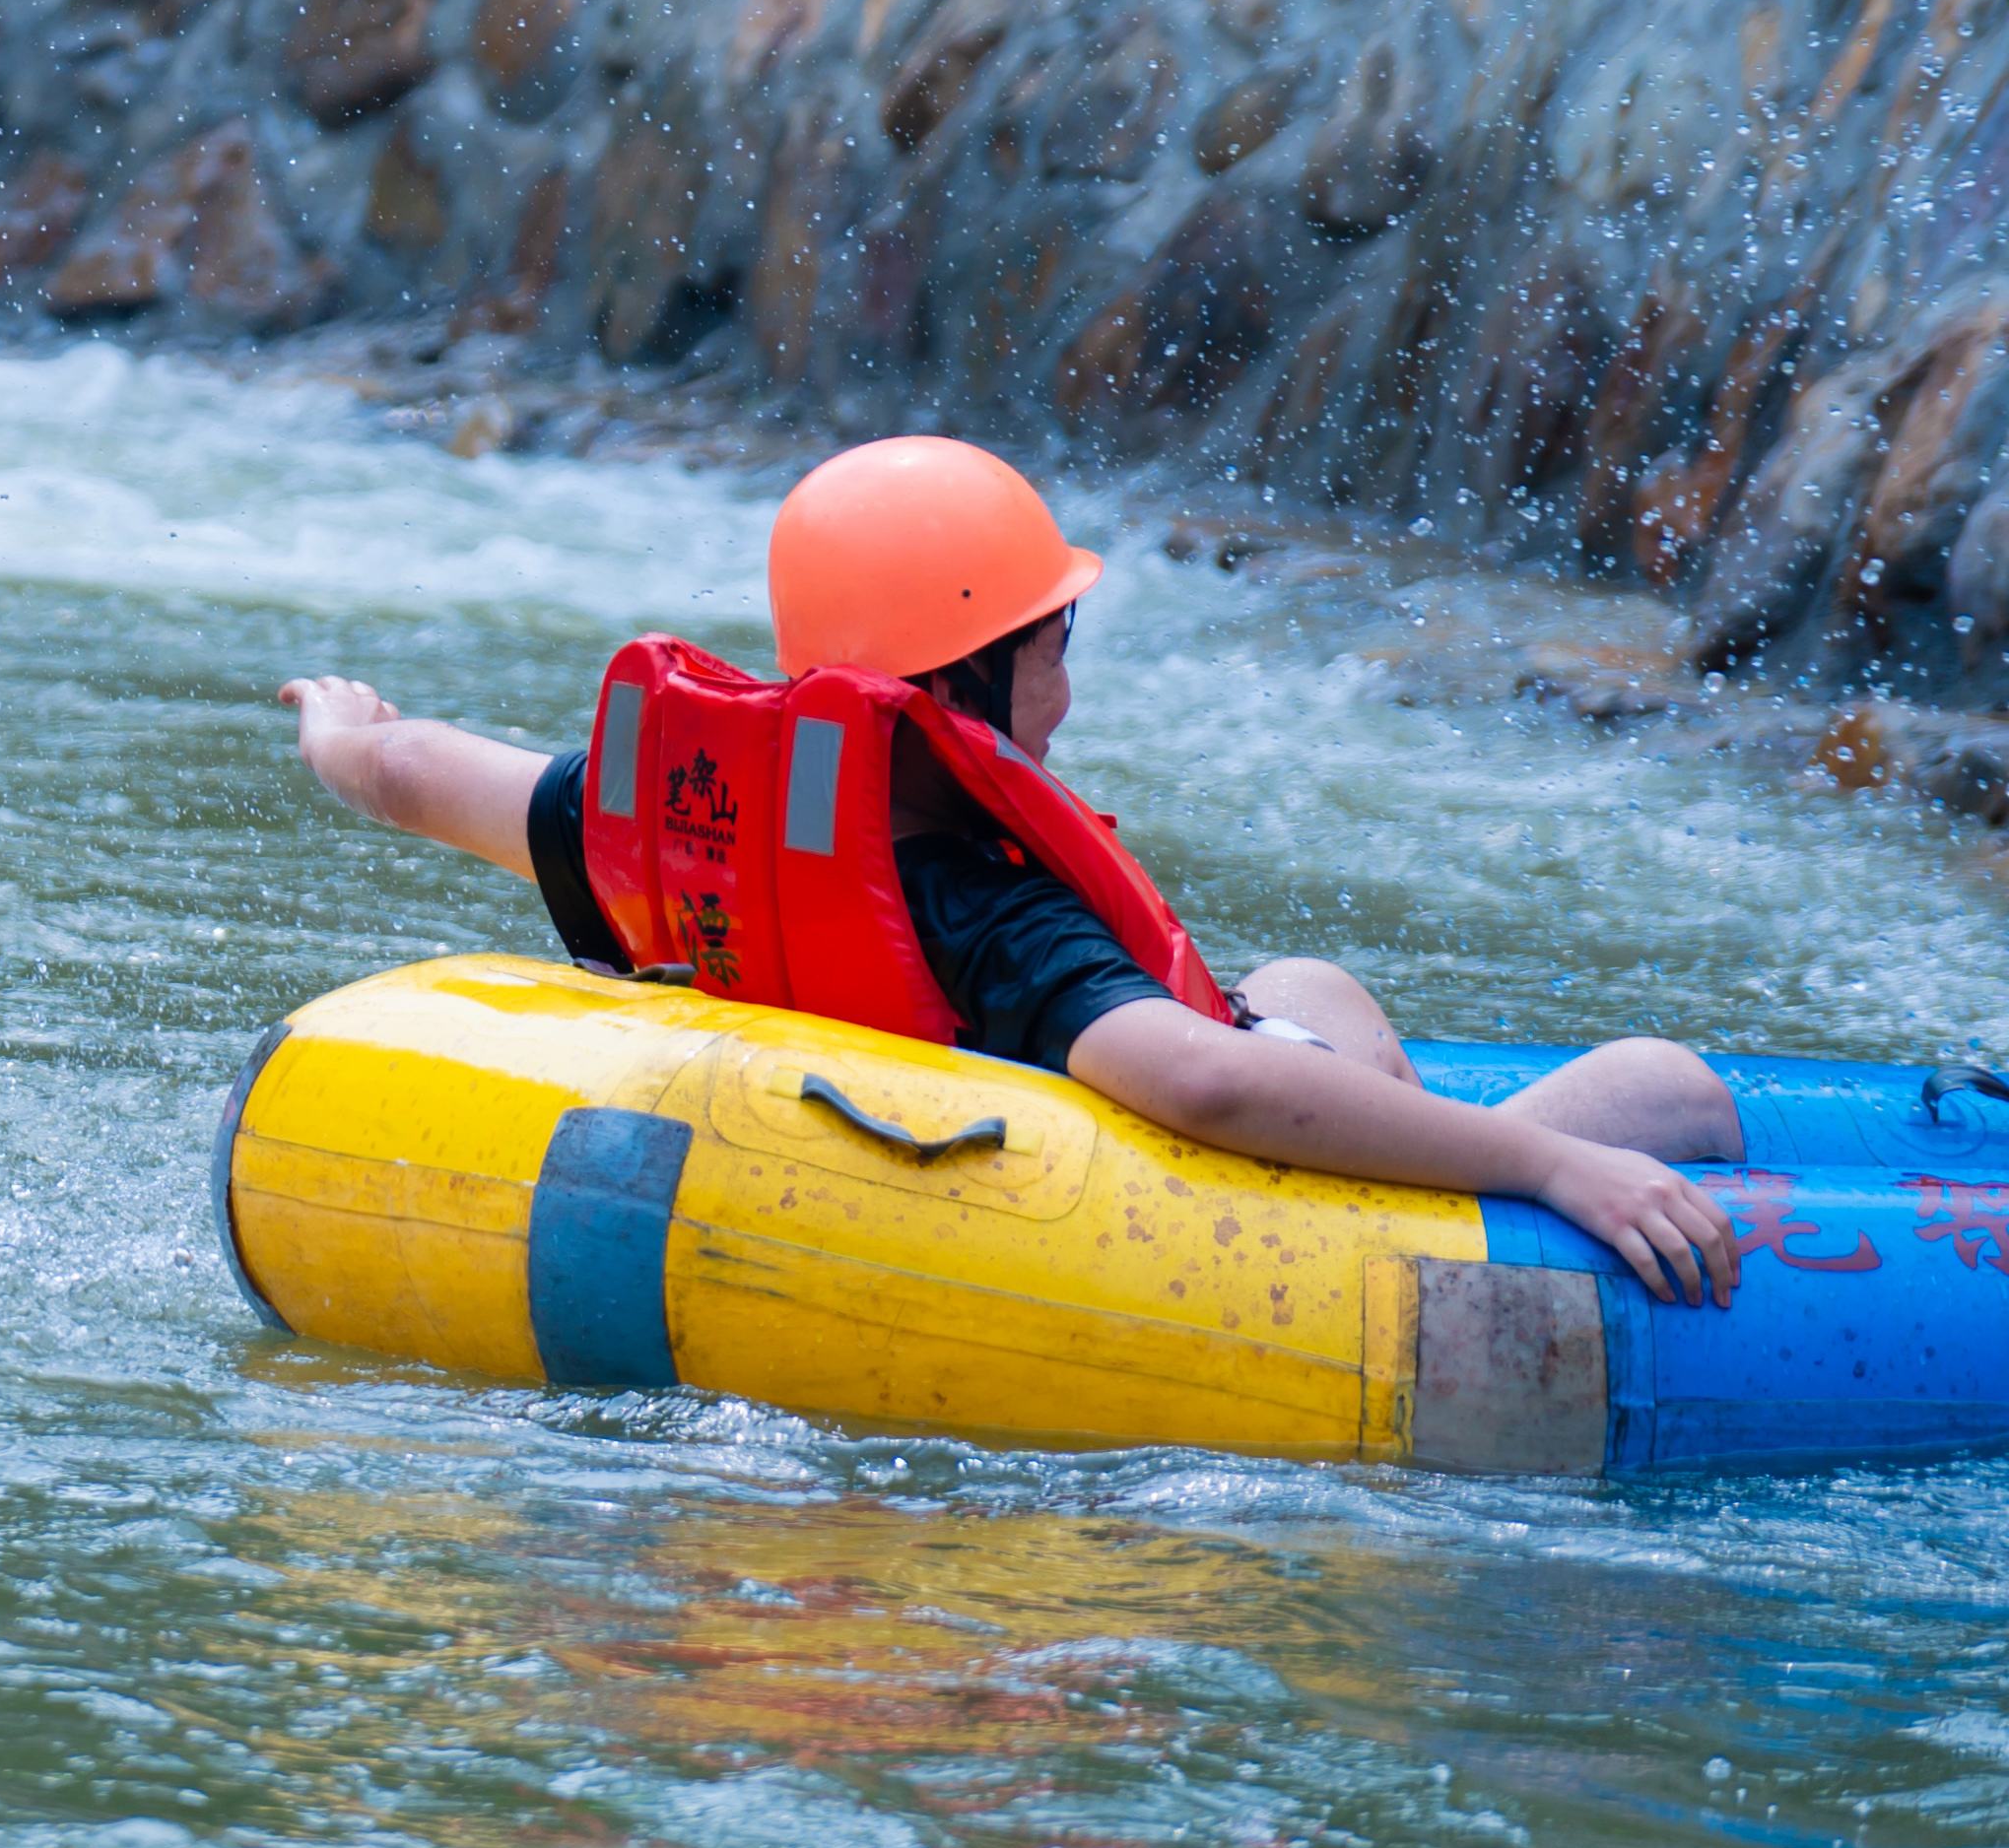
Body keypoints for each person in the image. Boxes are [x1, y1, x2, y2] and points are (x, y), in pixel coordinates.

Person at [278, 432, 1749, 1306]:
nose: (1067, 676)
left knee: (1302, 984)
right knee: (1661, 1082)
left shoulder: (665, 824)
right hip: (1207, 1218)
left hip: (807, 1157)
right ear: (971, 671)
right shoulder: (999, 914)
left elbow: (416, 778)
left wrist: (346, 734)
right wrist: (1558, 1164)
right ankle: (1501, 1144)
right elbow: (1210, 1086)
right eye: (1056, 642)